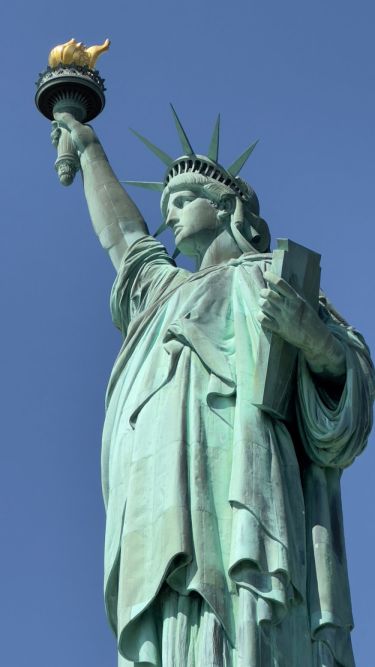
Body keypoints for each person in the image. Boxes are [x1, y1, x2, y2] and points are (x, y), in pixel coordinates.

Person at [52, 110, 374, 667]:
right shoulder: (164, 293)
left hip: (249, 497)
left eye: (180, 200)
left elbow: (350, 398)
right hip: (163, 506)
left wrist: (312, 338)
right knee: (178, 625)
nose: (168, 216)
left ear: (225, 206)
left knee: (248, 624)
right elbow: (127, 242)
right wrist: (88, 149)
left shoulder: (272, 279)